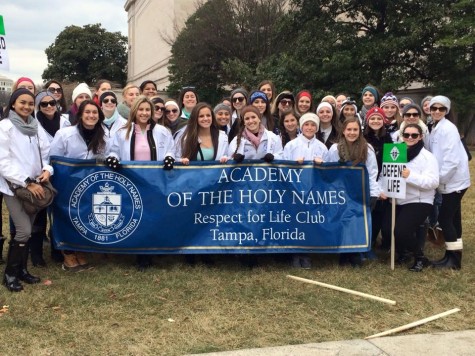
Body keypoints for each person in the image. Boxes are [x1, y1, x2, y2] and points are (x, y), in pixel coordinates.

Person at [107, 96, 175, 271]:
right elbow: (114, 151)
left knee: (154, 216)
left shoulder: (162, 131)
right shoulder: (123, 132)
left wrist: (169, 158)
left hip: (155, 182)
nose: (144, 113)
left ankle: (154, 249)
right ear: (134, 111)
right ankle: (139, 254)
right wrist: (113, 159)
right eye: (141, 109)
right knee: (136, 216)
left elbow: (170, 149)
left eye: (147, 110)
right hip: (132, 181)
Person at [0, 89, 54, 292]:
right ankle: (10, 275)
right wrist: (25, 181)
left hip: (35, 187)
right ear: (13, 104)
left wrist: (47, 171)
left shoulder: (35, 125)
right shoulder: (5, 127)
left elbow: (46, 153)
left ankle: (22, 270)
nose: (27, 106)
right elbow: (3, 162)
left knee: (28, 230)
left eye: (31, 103)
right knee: (23, 230)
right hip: (13, 186)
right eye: (23, 102)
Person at [50, 100, 107, 271]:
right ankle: (67, 253)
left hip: (90, 184)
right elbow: (54, 158)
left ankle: (80, 249)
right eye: (87, 112)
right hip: (66, 182)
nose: (91, 116)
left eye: (95, 112)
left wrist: (110, 157)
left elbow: (110, 153)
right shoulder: (64, 134)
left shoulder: (104, 135)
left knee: (83, 216)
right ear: (80, 114)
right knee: (67, 215)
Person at [327, 117, 382, 266]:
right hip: (342, 192)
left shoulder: (367, 148)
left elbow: (372, 172)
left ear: (360, 131)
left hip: (361, 191)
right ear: (343, 131)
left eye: (355, 129)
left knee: (357, 222)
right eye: (349, 129)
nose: (352, 132)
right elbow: (330, 172)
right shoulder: (335, 149)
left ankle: (356, 253)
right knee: (344, 222)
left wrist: (373, 193)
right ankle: (344, 253)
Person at [428, 96, 470, 269]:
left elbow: (452, 161)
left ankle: (453, 259)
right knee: (454, 218)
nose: (437, 111)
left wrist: (438, 181)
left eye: (441, 109)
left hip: (453, 182)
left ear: (446, 111)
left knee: (445, 218)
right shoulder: (436, 127)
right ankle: (453, 254)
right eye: (434, 108)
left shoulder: (448, 129)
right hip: (449, 181)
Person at [29, 90, 71, 267]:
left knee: (59, 212)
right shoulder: (33, 123)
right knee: (39, 214)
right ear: (38, 106)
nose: (48, 107)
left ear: (57, 104)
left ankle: (57, 249)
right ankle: (36, 254)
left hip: (61, 173)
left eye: (51, 103)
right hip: (40, 173)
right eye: (44, 104)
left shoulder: (65, 121)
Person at [283, 112, 328, 269]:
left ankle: (307, 253)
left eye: (313, 125)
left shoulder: (322, 147)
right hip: (294, 190)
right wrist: (294, 164)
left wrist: (322, 165)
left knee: (309, 221)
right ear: (301, 126)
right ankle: (295, 253)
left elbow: (328, 172)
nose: (309, 127)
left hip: (314, 191)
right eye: (306, 124)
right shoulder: (291, 145)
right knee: (295, 221)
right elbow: (283, 168)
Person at [395, 123, 439, 271]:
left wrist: (410, 176)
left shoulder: (427, 157)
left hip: (420, 200)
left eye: (414, 135)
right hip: (398, 198)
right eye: (406, 135)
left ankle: (420, 257)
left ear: (420, 137)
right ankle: (404, 252)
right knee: (389, 229)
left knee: (402, 231)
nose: (410, 138)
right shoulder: (396, 152)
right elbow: (387, 174)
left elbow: (433, 182)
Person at [363, 107, 393, 251]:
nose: (375, 121)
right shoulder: (362, 137)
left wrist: (381, 187)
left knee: (379, 213)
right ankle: (365, 241)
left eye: (378, 118)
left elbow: (389, 166)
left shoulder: (388, 139)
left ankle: (374, 240)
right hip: (365, 181)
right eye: (372, 118)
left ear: (383, 120)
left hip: (382, 180)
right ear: (367, 121)